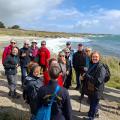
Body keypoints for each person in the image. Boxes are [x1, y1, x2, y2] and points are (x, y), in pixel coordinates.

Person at [84, 51, 106, 120]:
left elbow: (98, 81)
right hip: (91, 89)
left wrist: (87, 76)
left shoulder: (101, 67)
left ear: (99, 58)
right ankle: (90, 115)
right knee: (91, 104)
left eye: (96, 57)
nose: (94, 58)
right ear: (91, 57)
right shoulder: (91, 64)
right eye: (93, 57)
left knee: (94, 105)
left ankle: (91, 117)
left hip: (97, 90)